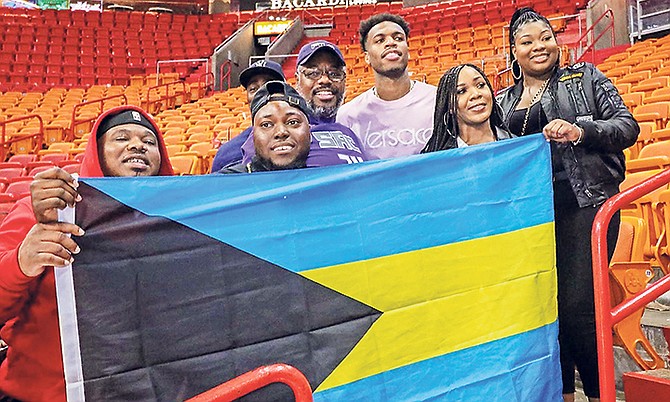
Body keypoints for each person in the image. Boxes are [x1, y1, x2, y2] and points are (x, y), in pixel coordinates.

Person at [496, 8, 639, 402]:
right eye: (527, 41)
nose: (538, 46)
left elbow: (627, 127)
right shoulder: (503, 100)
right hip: (532, 213)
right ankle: (562, 395)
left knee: (579, 308)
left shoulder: (587, 78)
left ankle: (600, 394)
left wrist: (581, 131)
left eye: (545, 37)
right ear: (514, 51)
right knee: (549, 311)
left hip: (588, 203)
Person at [0, 105, 174, 401]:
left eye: (149, 141)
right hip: (40, 394)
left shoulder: (174, 223)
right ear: (97, 151)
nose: (137, 145)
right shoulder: (44, 213)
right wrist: (22, 261)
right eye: (121, 137)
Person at [237, 40, 370, 167]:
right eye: (313, 73)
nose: (324, 80)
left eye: (335, 74)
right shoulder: (274, 130)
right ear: (297, 80)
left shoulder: (349, 133)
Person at [336, 13, 437, 160]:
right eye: (380, 40)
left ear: (408, 51)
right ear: (367, 57)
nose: (390, 43)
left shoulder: (439, 100)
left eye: (398, 38)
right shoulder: (348, 116)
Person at [210, 60, 286, 172]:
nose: (261, 92)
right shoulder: (227, 153)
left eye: (269, 85)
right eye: (253, 89)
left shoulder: (308, 141)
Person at [221, 81, 312, 173]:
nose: (281, 132)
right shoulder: (227, 182)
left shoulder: (321, 181)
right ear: (253, 136)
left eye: (293, 122)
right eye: (266, 125)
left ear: (310, 131)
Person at [422, 63, 512, 152]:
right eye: (461, 91)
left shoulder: (514, 146)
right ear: (450, 106)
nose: (476, 94)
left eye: (480, 85)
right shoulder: (439, 160)